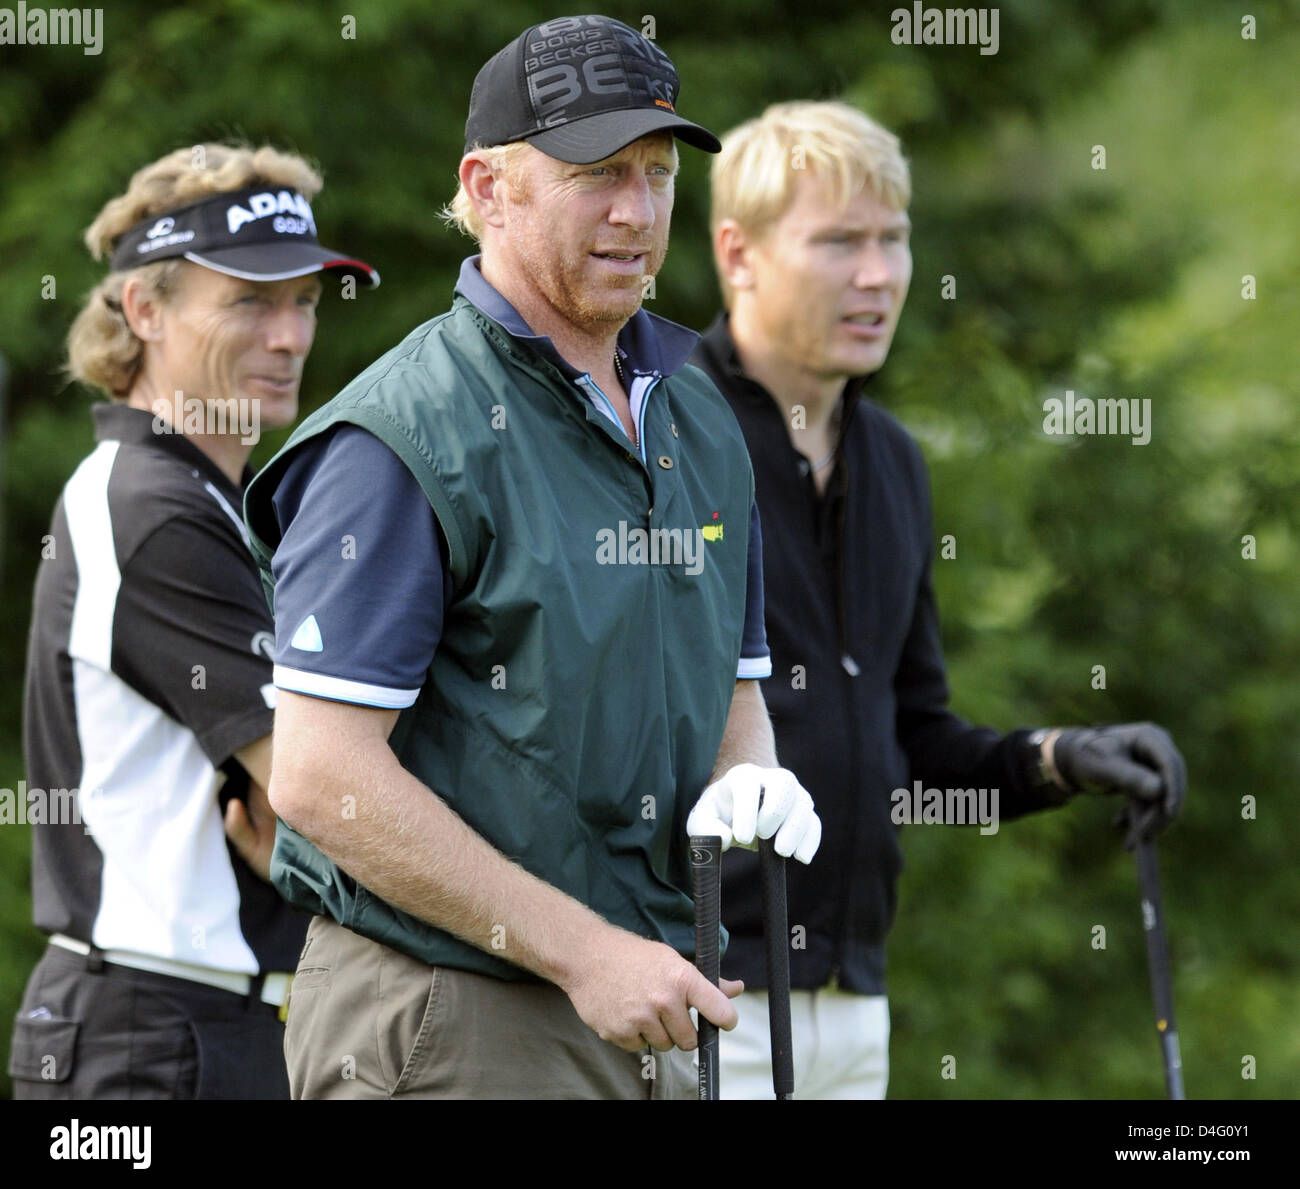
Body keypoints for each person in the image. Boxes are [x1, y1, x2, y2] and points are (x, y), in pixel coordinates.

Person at [242, 14, 821, 1102]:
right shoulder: (406, 433)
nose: (636, 212)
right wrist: (581, 951)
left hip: (650, 999)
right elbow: (320, 775)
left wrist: (751, 776)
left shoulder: (698, 410)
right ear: (489, 185)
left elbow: (731, 692)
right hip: (445, 1016)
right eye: (596, 173)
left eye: (656, 174)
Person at [690, 100, 1187, 1099]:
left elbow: (911, 738)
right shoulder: (664, 438)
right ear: (737, 254)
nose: (877, 275)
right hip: (696, 985)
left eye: (893, 240)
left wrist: (1061, 759)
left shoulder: (894, 464)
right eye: (838, 243)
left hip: (853, 1002)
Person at [10, 144, 378, 1099]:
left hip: (194, 1025)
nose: (292, 335)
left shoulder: (215, 500)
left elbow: (305, 805)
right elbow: (329, 793)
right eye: (251, 300)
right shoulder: (153, 508)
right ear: (144, 309)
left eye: (303, 300)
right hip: (152, 1035)